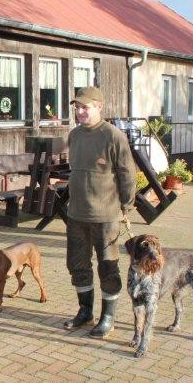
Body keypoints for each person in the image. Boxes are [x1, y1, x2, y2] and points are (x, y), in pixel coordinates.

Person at [64, 86, 136, 338]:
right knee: (77, 264)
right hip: (76, 215)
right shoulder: (74, 135)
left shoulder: (113, 136)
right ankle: (85, 311)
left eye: (86, 107)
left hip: (105, 216)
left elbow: (127, 173)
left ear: (99, 107)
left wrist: (126, 206)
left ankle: (108, 316)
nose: (80, 111)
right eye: (77, 107)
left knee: (108, 267)